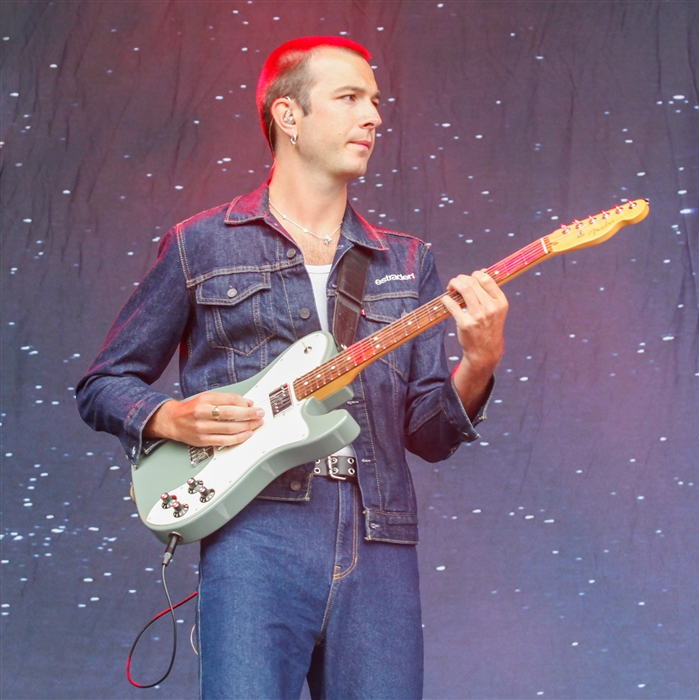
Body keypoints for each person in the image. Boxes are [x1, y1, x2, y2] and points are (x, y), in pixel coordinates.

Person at [76, 36, 508, 699]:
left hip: (379, 535)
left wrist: (479, 362)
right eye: (349, 98)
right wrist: (168, 416)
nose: (374, 116)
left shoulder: (406, 261)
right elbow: (102, 384)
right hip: (257, 534)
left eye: (375, 101)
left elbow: (428, 434)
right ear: (289, 116)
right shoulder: (202, 244)